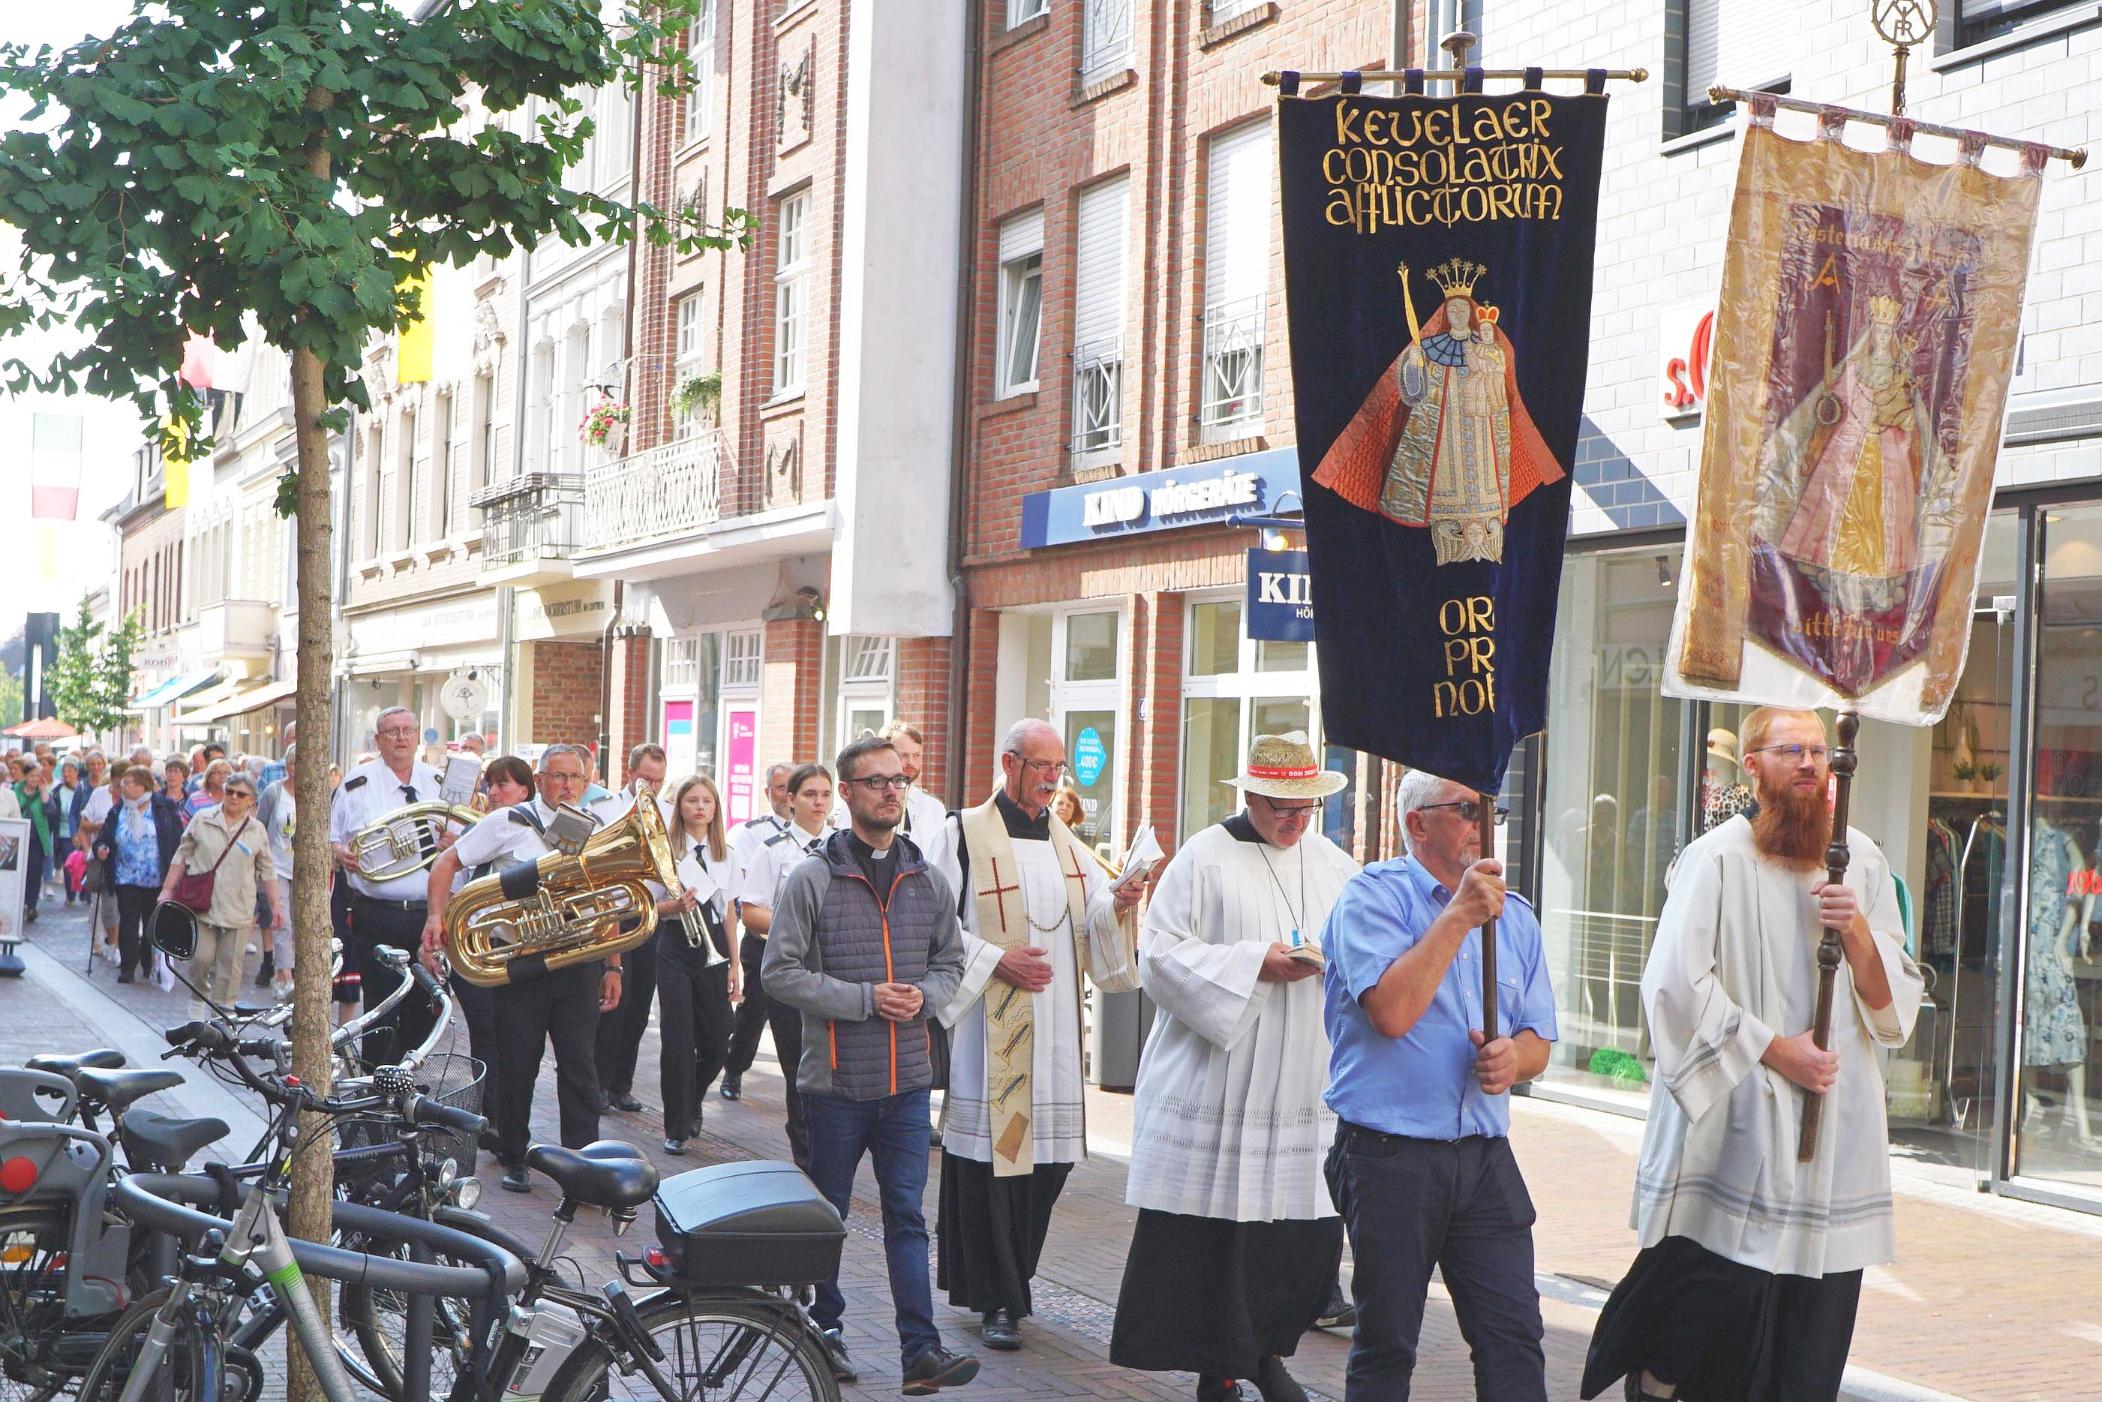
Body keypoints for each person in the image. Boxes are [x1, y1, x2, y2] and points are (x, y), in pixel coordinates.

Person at [1581, 708, 1925, 1402]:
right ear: (1754, 768)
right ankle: (1658, 1377)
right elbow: (1675, 986)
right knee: (1719, 1316)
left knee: (1811, 1342)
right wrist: (1775, 1050)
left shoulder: (1862, 857)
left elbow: (1893, 1008)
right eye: (1789, 750)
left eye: (1818, 753)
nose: (1807, 764)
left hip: (1834, 1130)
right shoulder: (1717, 858)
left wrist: (1854, 928)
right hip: (1740, 1122)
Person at [1111, 733, 1360, 1402]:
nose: (1295, 819)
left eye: (1306, 806)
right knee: (1216, 1243)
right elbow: (1159, 958)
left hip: (1302, 1082)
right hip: (1219, 1081)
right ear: (1250, 795)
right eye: (1282, 805)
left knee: (1293, 1244)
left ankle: (1267, 1353)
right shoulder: (1203, 858)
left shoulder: (1337, 865)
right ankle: (1221, 1365)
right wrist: (1256, 965)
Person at [1319, 768, 1559, 1401]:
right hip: (1390, 1155)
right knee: (1388, 1341)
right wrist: (1457, 917)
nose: (1485, 826)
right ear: (1416, 823)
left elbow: (1540, 1041)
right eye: (1468, 810)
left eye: (1491, 812)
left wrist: (1515, 1060)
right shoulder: (1371, 899)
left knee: (1513, 1334)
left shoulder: (1517, 917)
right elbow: (1392, 1015)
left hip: (1483, 1157)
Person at [762, 733, 979, 1395]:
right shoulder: (813, 877)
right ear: (848, 794)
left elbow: (951, 963)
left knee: (908, 1217)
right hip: (834, 1083)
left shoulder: (927, 878)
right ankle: (823, 1330)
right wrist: (863, 999)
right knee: (826, 1214)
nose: (891, 790)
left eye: (897, 780)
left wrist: (925, 998)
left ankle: (921, 1351)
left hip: (909, 1084)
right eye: (876, 781)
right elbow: (779, 973)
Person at [930, 719, 1144, 1352]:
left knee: (1045, 1165)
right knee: (999, 1164)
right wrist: (998, 961)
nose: (1055, 778)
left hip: (1051, 1035)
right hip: (989, 1028)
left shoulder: (1066, 843)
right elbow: (932, 926)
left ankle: (1013, 1281)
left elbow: (1094, 919)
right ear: (1010, 763)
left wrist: (1124, 900)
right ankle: (1001, 1300)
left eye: (1060, 769)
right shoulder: (962, 833)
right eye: (1043, 766)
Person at [420, 743, 622, 1193]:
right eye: (558, 776)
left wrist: (614, 965)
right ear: (541, 778)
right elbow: (448, 861)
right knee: (518, 1063)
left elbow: (604, 901)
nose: (567, 785)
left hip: (578, 962)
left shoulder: (598, 829)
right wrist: (436, 916)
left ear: (586, 783)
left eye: (576, 777)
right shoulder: (508, 821)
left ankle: (582, 1162)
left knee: (579, 1064)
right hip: (521, 961)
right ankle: (514, 1154)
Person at [331, 708, 451, 1060]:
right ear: (378, 740)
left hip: (428, 913)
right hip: (378, 912)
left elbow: (463, 837)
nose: (401, 737)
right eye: (392, 731)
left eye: (407, 730)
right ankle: (374, 1088)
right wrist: (339, 851)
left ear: (417, 737)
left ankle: (411, 1088)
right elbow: (332, 835)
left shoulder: (439, 782)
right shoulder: (358, 782)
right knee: (381, 1007)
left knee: (425, 1004)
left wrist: (451, 842)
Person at [735, 763, 836, 1169]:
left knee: (833, 1064)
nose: (818, 802)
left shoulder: (842, 847)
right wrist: (795, 925)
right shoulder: (773, 849)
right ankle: (806, 1157)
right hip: (792, 968)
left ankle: (830, 1149)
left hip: (833, 970)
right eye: (810, 794)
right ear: (791, 800)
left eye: (825, 794)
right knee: (799, 1065)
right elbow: (751, 911)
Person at [657, 774, 741, 1154]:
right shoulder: (666, 851)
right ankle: (676, 1125)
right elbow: (646, 906)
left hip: (714, 945)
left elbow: (728, 914)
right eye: (692, 800)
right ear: (681, 807)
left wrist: (735, 964)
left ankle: (691, 1098)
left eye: (707, 801)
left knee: (719, 1037)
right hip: (675, 942)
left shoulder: (726, 854)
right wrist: (673, 907)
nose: (700, 807)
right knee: (677, 1039)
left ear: (715, 809)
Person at [161, 773, 284, 1007]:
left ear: (251, 801)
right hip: (203, 903)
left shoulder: (257, 830)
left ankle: (223, 1014)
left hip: (238, 908)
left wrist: (276, 904)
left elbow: (267, 870)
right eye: (230, 791)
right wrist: (167, 889)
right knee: (201, 958)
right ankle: (197, 1002)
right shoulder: (203, 819)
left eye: (241, 794)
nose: (234, 797)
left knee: (230, 967)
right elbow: (182, 855)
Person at [594, 742, 670, 1114]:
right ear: (630, 774)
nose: (651, 788)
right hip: (613, 914)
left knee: (639, 1004)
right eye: (645, 779)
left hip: (649, 915)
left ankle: (621, 1084)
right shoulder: (605, 808)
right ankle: (598, 1082)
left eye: (658, 781)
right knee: (613, 1003)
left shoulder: (667, 814)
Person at [720, 761, 795, 1102]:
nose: (787, 795)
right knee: (753, 1011)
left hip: (801, 946)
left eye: (793, 787)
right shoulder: (752, 834)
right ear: (768, 793)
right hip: (763, 940)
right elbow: (748, 892)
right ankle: (735, 1069)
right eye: (780, 788)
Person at [256, 745, 300, 1002]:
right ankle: (284, 974)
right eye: (293, 764)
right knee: (281, 919)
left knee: (299, 921)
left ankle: (293, 970)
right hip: (277, 865)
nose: (297, 769)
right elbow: (260, 826)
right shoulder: (274, 792)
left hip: (303, 869)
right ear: (287, 767)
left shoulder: (316, 793)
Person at [14, 763, 59, 925]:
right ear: (25, 776)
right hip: (17, 838)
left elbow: (51, 811)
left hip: (36, 840)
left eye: (37, 775)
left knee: (34, 871)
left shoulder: (44, 792)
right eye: (32, 775)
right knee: (18, 872)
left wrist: (43, 793)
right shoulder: (15, 791)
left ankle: (31, 905)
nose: (35, 778)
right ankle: (20, 903)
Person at [55, 760, 86, 904]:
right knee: (70, 864)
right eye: (64, 771)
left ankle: (85, 893)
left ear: (76, 773)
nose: (66, 774)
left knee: (85, 863)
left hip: (83, 832)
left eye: (70, 771)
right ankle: (70, 894)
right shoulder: (57, 791)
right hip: (65, 833)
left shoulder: (82, 788)